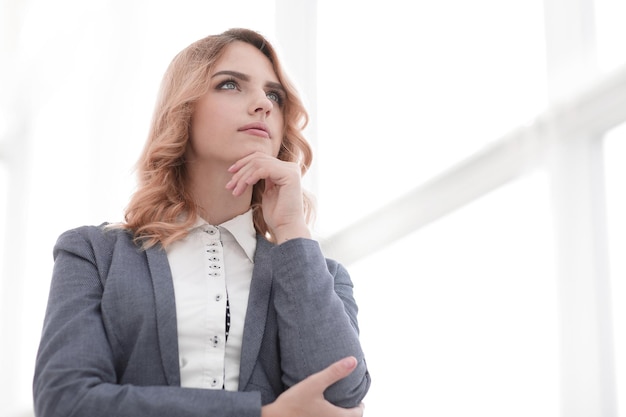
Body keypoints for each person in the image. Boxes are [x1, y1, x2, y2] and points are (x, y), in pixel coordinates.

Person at [33, 28, 370, 417]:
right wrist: (263, 416)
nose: (262, 103)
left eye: (274, 95)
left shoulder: (321, 276)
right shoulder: (95, 255)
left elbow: (340, 397)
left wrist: (292, 228)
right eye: (230, 85)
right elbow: (66, 401)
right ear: (182, 109)